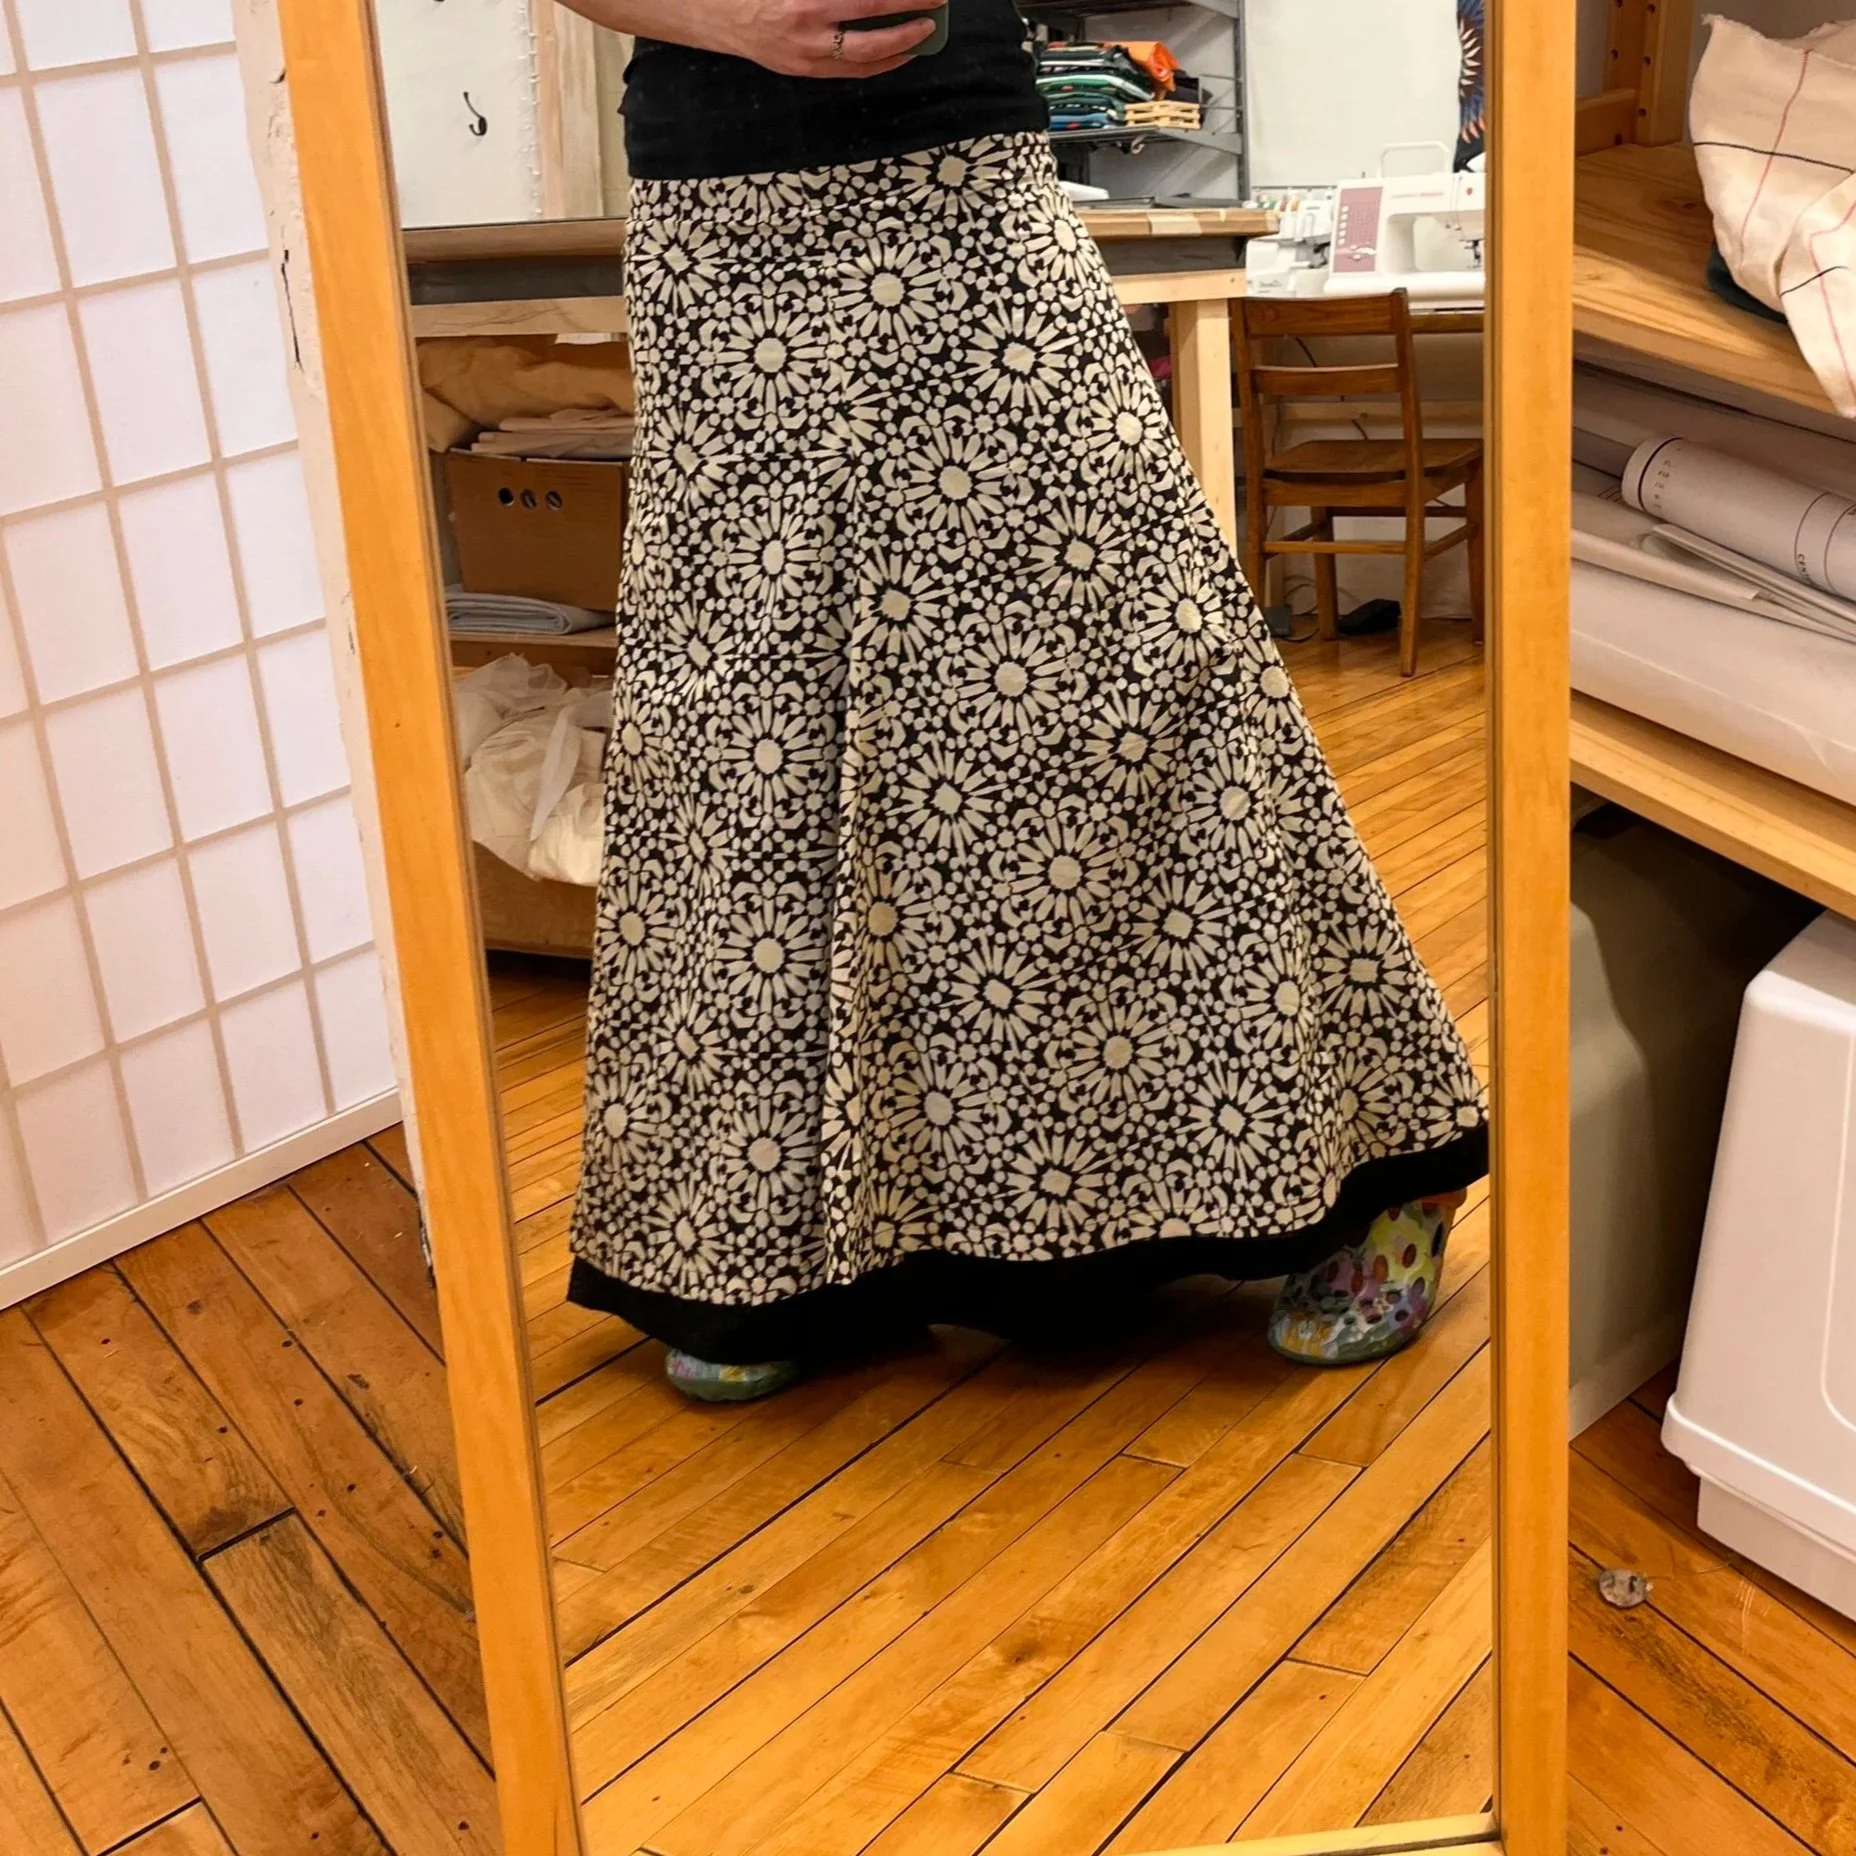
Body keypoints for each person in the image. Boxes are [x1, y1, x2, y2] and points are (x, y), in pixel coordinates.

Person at [559, 0, 1488, 1401]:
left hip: (964, 174)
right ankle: (780, 1234)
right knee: (748, 729)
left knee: (1149, 661)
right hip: (714, 213)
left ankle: (1377, 1155)